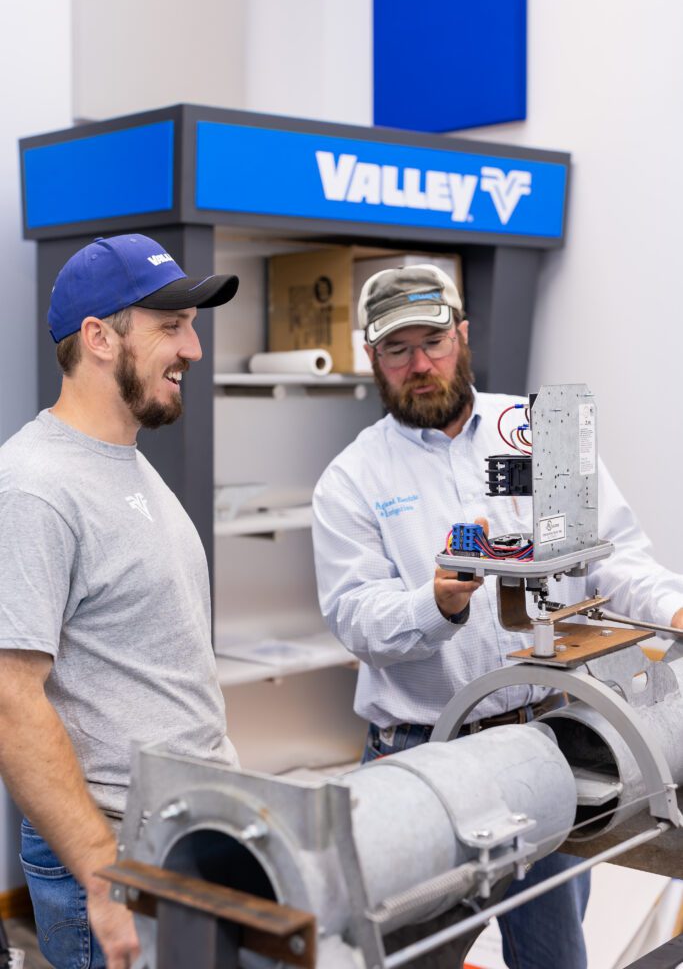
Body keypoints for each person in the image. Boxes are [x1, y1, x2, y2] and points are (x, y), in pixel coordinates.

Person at [312, 263, 683, 969]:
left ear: (463, 333)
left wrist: (671, 606)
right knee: (405, 958)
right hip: (418, 753)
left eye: (433, 339)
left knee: (552, 958)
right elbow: (355, 617)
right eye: (397, 348)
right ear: (372, 358)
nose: (419, 364)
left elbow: (613, 556)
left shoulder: (537, 434)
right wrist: (437, 603)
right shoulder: (352, 479)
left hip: (544, 748)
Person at [0, 233, 241, 969]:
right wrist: (104, 878)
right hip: (114, 855)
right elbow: (12, 702)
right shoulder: (35, 487)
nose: (193, 349)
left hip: (181, 834)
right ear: (100, 338)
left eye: (191, 325)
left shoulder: (127, 464)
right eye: (171, 326)